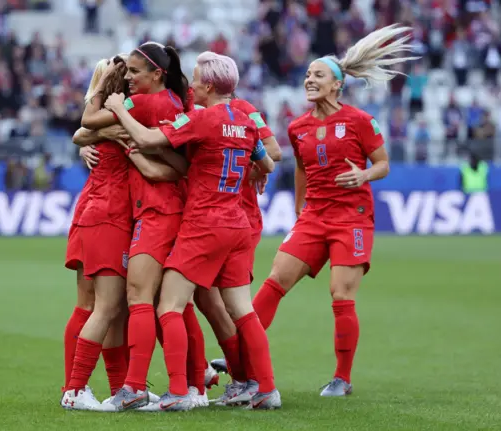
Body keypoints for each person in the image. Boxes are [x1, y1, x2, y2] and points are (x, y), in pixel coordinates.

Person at [248, 23, 416, 398]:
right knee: (276, 278)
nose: (309, 80)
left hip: (351, 217)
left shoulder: (359, 121)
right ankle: (243, 355)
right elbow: (303, 171)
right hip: (314, 217)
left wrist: (364, 175)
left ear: (337, 84)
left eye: (318, 75)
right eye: (307, 75)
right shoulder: (297, 127)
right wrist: (297, 210)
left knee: (341, 294)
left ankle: (342, 377)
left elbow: (383, 164)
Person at [105, 51, 279, 411]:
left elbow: (151, 140)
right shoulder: (246, 121)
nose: (192, 85)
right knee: (242, 310)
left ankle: (179, 393)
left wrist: (120, 111)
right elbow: (265, 162)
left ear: (210, 86)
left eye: (197, 80)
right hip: (238, 224)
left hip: (204, 224)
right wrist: (253, 172)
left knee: (168, 305)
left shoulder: (204, 119)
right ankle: (265, 389)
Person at [74, 43, 215, 411]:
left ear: (156, 74)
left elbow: (87, 124)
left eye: (137, 72)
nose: (131, 78)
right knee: (176, 305)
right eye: (129, 72)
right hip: (163, 211)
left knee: (134, 302)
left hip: (156, 213)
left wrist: (104, 91)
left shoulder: (144, 104)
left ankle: (128, 387)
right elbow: (179, 162)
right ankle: (195, 382)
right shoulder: (173, 101)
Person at [194, 98, 282, 405]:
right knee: (208, 301)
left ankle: (244, 378)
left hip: (232, 216)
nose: (191, 84)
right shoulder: (194, 109)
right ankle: (242, 377)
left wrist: (255, 166)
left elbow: (273, 152)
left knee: (219, 302)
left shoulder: (243, 108)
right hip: (213, 217)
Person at [60, 55, 133, 411]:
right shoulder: (121, 112)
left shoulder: (103, 118)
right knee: (103, 306)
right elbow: (83, 129)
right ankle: (76, 387)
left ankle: (113, 388)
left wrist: (91, 135)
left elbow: (81, 130)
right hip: (107, 214)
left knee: (100, 306)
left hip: (93, 209)